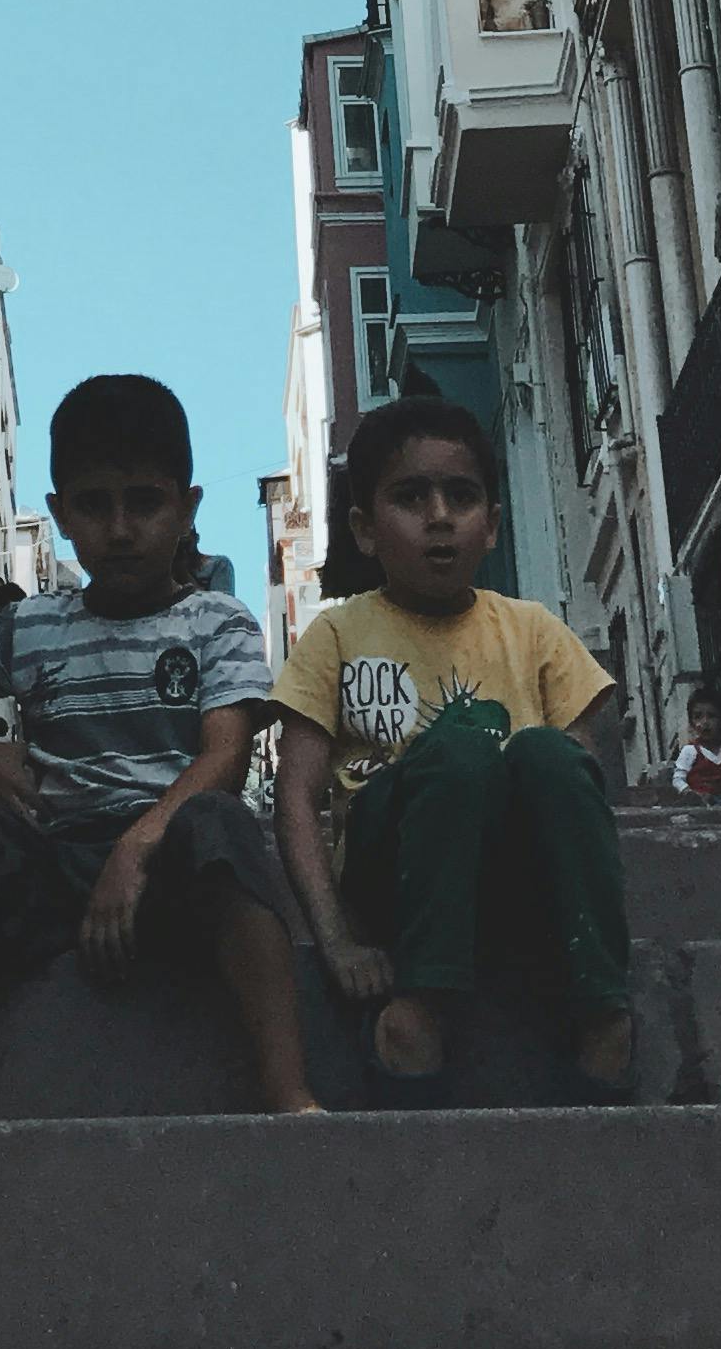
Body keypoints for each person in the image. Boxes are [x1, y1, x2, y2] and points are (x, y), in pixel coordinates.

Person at [0, 372, 316, 1124]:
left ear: (187, 507)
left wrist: (136, 850)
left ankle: (287, 1090)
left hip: (172, 865)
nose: (121, 529)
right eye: (95, 506)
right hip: (57, 857)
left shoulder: (217, 624)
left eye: (146, 502)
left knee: (224, 827)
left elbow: (224, 756)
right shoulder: (31, 626)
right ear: (61, 515)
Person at [272, 396, 634, 1107]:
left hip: (510, 877)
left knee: (553, 758)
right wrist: (338, 939)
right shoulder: (338, 636)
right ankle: (425, 1004)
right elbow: (294, 796)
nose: (440, 516)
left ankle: (602, 1007)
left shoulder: (531, 630)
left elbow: (580, 784)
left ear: (492, 525)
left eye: (461, 497)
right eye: (410, 497)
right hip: (393, 880)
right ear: (365, 530)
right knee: (459, 755)